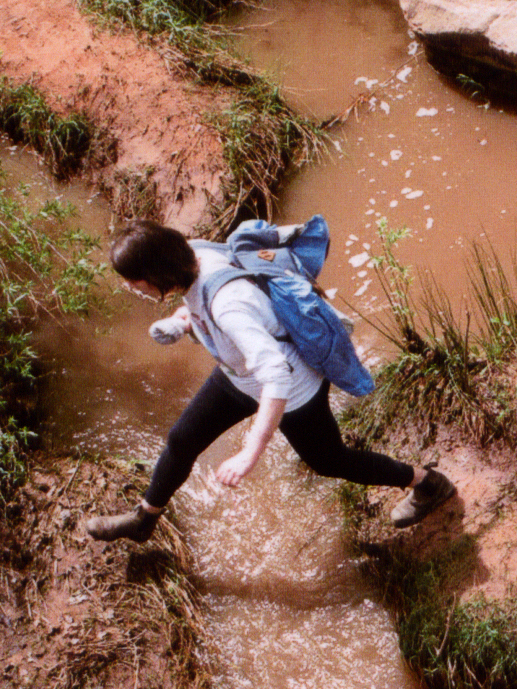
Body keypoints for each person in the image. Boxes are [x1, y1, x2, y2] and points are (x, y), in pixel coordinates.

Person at [85, 219, 455, 543]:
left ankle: (427, 483)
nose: (133, 290)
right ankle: (143, 520)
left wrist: (251, 451)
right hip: (241, 374)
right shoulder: (195, 253)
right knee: (182, 439)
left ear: (153, 276)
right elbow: (206, 301)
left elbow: (274, 373)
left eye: (134, 283)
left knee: (330, 461)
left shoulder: (229, 306)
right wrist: (182, 322)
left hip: (292, 387)